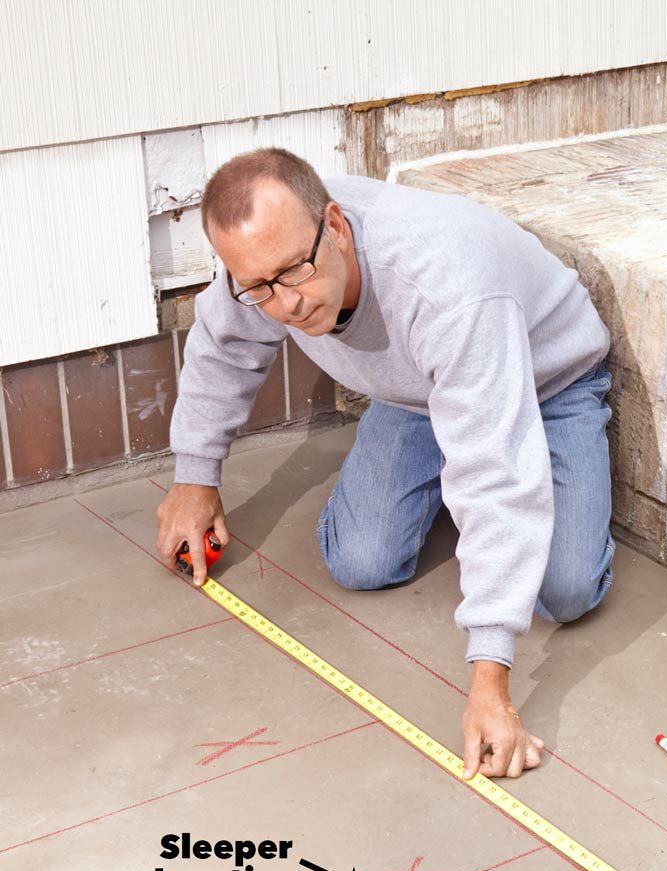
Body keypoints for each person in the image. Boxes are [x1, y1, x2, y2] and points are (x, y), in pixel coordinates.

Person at [156, 148, 614, 781]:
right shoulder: (266, 257)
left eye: (293, 274)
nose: (284, 304)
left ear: (337, 227)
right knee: (361, 563)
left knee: (564, 591)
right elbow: (223, 349)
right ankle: (472, 503)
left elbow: (493, 470)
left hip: (549, 382)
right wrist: (194, 479)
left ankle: (530, 501)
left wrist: (490, 681)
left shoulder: (446, 284)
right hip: (421, 393)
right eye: (258, 288)